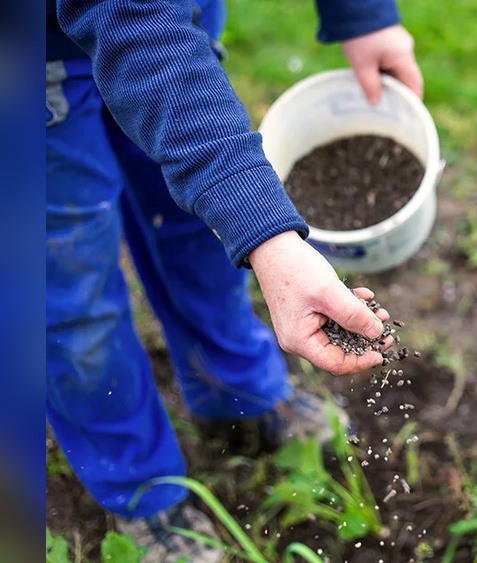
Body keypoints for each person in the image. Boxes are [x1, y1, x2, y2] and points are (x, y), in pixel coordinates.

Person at [45, 0, 424, 559]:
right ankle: (140, 486)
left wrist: (361, 14)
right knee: (72, 284)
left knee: (196, 224)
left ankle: (234, 388)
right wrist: (268, 236)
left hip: (176, 17)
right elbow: (133, 22)